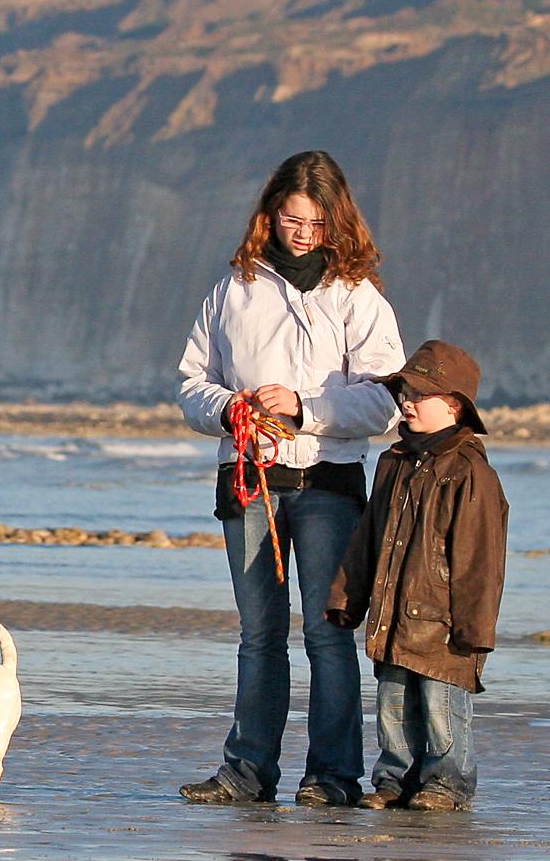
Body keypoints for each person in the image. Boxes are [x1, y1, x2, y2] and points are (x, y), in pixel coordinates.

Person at [175, 150, 405, 807]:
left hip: (329, 484)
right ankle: (247, 772)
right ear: (271, 214)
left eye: (315, 222)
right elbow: (191, 382)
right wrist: (230, 408)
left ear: (337, 222)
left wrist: (303, 409)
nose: (302, 233)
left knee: (327, 634)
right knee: (259, 634)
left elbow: (387, 399)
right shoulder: (233, 289)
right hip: (249, 482)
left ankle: (332, 777)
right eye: (291, 218)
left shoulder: (359, 296)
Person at [326, 340, 507, 811]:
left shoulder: (470, 472)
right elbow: (367, 537)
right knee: (392, 703)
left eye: (418, 395)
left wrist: (474, 629)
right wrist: (347, 596)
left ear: (454, 406)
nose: (406, 401)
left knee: (442, 709)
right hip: (392, 609)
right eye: (404, 392)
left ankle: (447, 783)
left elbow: (479, 560)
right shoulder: (393, 462)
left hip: (444, 620)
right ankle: (394, 779)